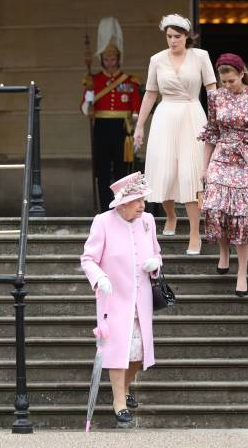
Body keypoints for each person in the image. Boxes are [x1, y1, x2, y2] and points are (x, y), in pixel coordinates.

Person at [80, 171, 161, 425]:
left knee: (139, 352)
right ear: (123, 203)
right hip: (113, 298)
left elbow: (157, 253)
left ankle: (125, 389)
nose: (142, 205)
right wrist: (99, 278)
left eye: (143, 200)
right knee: (118, 350)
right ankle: (118, 402)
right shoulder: (103, 222)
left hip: (142, 298)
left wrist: (154, 264)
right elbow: (88, 259)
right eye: (137, 200)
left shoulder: (148, 221)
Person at [133, 14, 217, 255]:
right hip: (165, 115)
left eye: (177, 36)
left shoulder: (200, 57)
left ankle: (194, 232)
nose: (172, 41)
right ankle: (170, 215)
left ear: (187, 36)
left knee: (191, 174)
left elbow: (212, 90)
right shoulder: (157, 60)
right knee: (165, 171)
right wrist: (140, 126)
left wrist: (216, 121)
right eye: (169, 36)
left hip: (192, 113)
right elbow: (150, 94)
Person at [198, 53, 248, 296]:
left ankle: (242, 273)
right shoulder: (214, 97)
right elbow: (211, 132)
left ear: (242, 74)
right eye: (224, 82)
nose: (228, 86)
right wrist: (204, 166)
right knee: (216, 208)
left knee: (243, 216)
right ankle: (223, 251)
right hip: (221, 156)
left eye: (231, 80)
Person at [81, 17, 142, 213]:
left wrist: (135, 132)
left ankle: (123, 206)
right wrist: (89, 97)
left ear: (118, 59)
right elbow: (84, 109)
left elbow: (136, 109)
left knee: (122, 170)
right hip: (102, 127)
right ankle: (106, 208)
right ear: (102, 60)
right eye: (106, 59)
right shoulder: (93, 80)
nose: (110, 62)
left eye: (113, 58)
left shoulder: (130, 81)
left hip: (123, 129)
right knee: (103, 171)